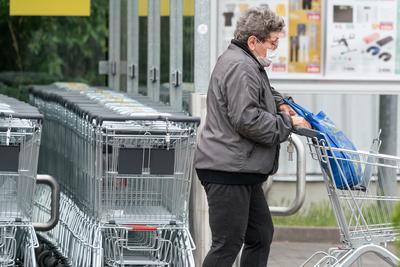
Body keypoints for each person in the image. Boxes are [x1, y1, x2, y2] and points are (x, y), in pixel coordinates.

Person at [194, 6, 311, 267]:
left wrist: (280, 103)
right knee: (227, 245)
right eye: (272, 43)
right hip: (228, 169)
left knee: (260, 235)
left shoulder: (246, 62)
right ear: (253, 41)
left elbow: (263, 92)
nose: (274, 50)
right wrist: (287, 123)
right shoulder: (240, 66)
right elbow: (247, 119)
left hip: (239, 168)